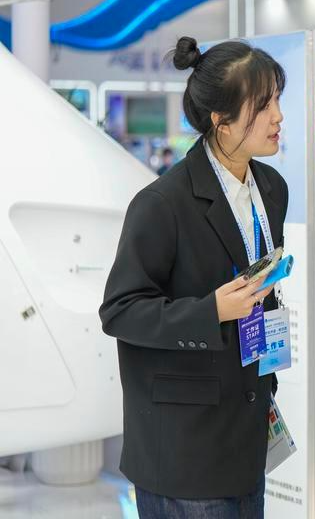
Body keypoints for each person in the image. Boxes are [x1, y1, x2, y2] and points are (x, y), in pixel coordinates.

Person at [100, 36, 289, 518]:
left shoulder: (271, 188)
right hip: (184, 447)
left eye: (277, 101)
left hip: (247, 428)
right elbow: (120, 311)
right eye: (263, 106)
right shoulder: (162, 203)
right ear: (220, 120)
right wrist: (212, 312)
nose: (278, 117)